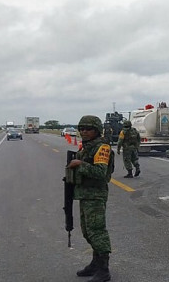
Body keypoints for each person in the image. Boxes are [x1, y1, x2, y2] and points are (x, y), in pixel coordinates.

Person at [66, 115, 112, 282]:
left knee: (97, 232)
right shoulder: (86, 148)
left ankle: (104, 269)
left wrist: (80, 164)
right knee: (87, 231)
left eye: (88, 129)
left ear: (96, 130)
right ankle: (95, 263)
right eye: (82, 129)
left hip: (95, 195)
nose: (84, 132)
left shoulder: (102, 147)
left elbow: (100, 172)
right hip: (85, 194)